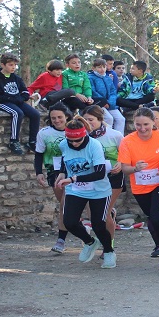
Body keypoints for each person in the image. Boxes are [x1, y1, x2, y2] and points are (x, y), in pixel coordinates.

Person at [117, 108, 159, 270]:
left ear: (154, 122)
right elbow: (125, 168)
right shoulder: (127, 141)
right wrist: (135, 168)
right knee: (153, 218)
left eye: (146, 124)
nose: (142, 128)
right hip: (140, 188)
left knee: (158, 219)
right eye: (138, 125)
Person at [55, 117, 116, 269]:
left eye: (78, 140)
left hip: (98, 190)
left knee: (98, 224)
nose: (74, 144)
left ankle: (109, 252)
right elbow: (65, 160)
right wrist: (62, 173)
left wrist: (73, 178)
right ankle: (90, 242)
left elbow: (100, 173)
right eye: (71, 141)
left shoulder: (94, 145)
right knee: (69, 222)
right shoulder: (64, 144)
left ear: (84, 135)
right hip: (76, 189)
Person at [80, 105, 125, 238]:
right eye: (85, 120)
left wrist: (120, 164)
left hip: (113, 176)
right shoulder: (81, 137)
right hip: (92, 177)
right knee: (93, 213)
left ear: (100, 119)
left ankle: (108, 245)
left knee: (104, 212)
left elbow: (126, 156)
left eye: (91, 120)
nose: (88, 123)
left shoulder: (115, 135)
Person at [34, 103, 71, 253]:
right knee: (64, 204)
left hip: (75, 170)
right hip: (54, 171)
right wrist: (38, 172)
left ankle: (61, 240)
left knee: (65, 204)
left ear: (66, 116)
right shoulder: (44, 133)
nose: (57, 120)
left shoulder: (74, 129)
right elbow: (39, 154)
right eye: (53, 118)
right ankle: (71, 231)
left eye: (60, 117)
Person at [0, 52, 40, 155]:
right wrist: (12, 98)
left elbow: (24, 91)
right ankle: (14, 141)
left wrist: (22, 98)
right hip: (1, 103)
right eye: (11, 65)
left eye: (15, 65)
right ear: (3, 65)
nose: (14, 67)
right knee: (18, 113)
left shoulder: (16, 78)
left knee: (35, 114)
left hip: (17, 102)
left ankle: (32, 141)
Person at [88, 58, 125, 133]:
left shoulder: (107, 78)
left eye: (104, 67)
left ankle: (119, 138)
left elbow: (113, 91)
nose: (102, 69)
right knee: (108, 118)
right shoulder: (90, 78)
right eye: (99, 67)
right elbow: (93, 91)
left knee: (121, 119)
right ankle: (108, 135)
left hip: (110, 104)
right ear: (93, 68)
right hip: (99, 104)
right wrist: (103, 102)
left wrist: (110, 102)